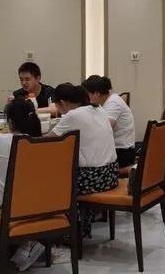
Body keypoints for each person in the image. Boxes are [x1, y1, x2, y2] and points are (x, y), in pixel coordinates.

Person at [0, 98, 44, 271]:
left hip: (1, 205)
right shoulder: (41, 142)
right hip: (35, 204)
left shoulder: (1, 141)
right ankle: (26, 244)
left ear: (10, 122)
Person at [50, 83, 118, 237]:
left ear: (62, 103)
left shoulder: (73, 115)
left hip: (93, 179)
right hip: (111, 175)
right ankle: (82, 226)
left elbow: (47, 141)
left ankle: (64, 231)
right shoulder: (99, 109)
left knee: (53, 181)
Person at [82, 75, 135, 168]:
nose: (87, 99)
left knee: (82, 159)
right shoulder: (108, 100)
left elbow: (104, 130)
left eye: (87, 95)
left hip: (122, 152)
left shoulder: (113, 103)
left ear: (97, 93)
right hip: (116, 149)